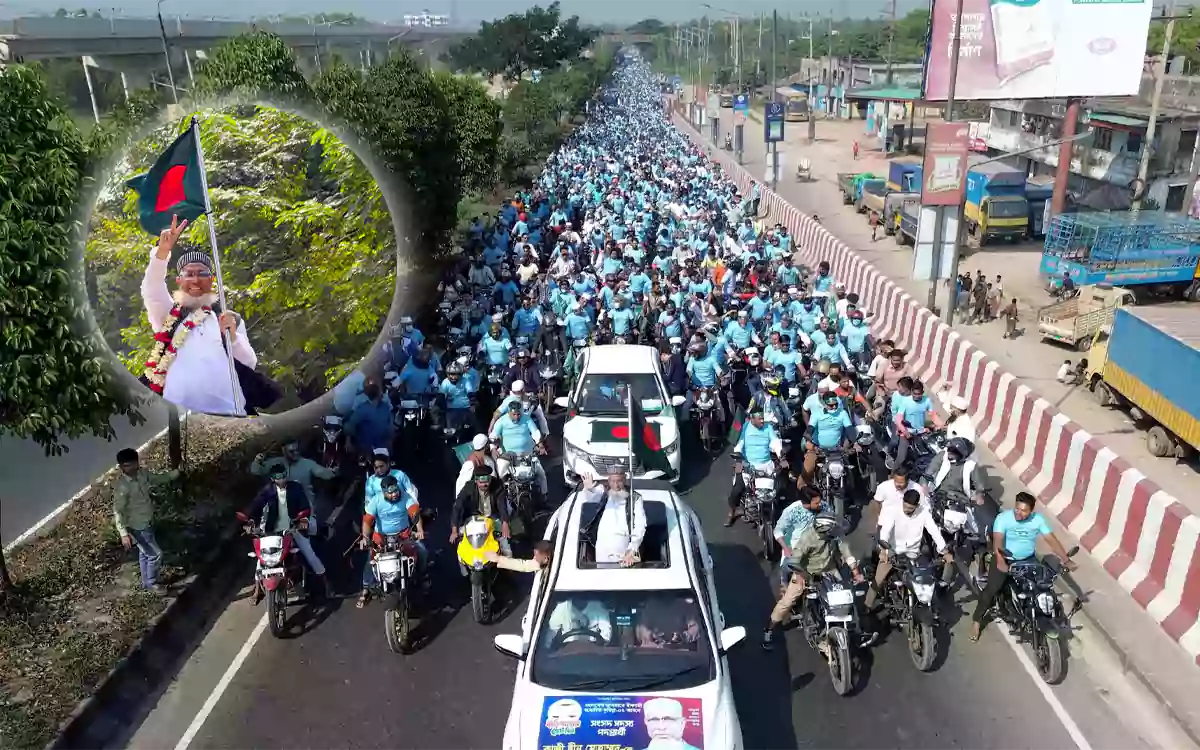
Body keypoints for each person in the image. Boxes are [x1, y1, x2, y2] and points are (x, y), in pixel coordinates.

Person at [140, 215, 256, 416]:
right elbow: (152, 289)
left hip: (230, 414)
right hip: (179, 417)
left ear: (211, 279)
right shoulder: (169, 316)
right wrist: (162, 252)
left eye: (202, 274)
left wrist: (233, 337)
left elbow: (248, 363)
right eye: (189, 274)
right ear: (178, 280)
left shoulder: (229, 319)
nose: (195, 280)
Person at [970, 492, 1077, 641]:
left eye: (1024, 510)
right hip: (1004, 558)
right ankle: (976, 621)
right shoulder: (1003, 518)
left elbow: (1050, 539)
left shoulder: (1037, 520)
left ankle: (1043, 616)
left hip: (1028, 560)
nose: (1019, 513)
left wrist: (1066, 560)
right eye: (1017, 508)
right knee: (992, 589)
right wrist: (1001, 560)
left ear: (1031, 511)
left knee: (1042, 588)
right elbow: (998, 540)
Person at [762, 512, 864, 651]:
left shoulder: (836, 535)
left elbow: (846, 553)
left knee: (847, 596)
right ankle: (768, 631)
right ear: (824, 530)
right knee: (787, 602)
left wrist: (856, 572)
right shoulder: (808, 538)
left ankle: (857, 630)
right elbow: (794, 559)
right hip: (806, 573)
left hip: (830, 571)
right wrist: (799, 574)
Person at [242, 466, 329, 601]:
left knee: (309, 554)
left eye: (284, 476)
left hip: (293, 528)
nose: (282, 479)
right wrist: (250, 520)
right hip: (273, 530)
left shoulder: (296, 488)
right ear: (272, 479)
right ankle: (258, 589)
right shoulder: (268, 491)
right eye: (278, 477)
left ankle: (325, 586)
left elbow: (304, 506)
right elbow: (256, 505)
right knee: (262, 559)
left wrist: (303, 520)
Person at [864, 489, 954, 608]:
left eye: (910, 508)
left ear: (916, 506)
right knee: (878, 580)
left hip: (914, 553)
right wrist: (884, 551)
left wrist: (945, 551)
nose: (906, 510)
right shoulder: (893, 512)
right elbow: (885, 531)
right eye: (905, 506)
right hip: (892, 552)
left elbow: (934, 532)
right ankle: (867, 606)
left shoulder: (924, 514)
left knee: (928, 578)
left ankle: (933, 609)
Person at [112, 447, 180, 593]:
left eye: (129, 464)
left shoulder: (142, 474)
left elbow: (157, 479)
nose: (126, 468)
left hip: (147, 522)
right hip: (136, 527)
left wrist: (175, 473)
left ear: (136, 463)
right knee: (156, 554)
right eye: (123, 466)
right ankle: (152, 583)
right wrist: (123, 533)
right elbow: (118, 512)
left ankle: (146, 581)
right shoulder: (122, 488)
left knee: (145, 553)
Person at [357, 475, 427, 608]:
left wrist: (419, 530)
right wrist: (365, 538)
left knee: (422, 551)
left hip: (403, 536)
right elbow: (367, 521)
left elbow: (414, 513)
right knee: (370, 560)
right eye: (390, 492)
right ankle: (366, 588)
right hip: (381, 537)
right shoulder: (376, 500)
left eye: (396, 491)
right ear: (384, 492)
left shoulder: (405, 497)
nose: (394, 494)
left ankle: (423, 578)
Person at [249, 441, 337, 535]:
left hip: (304, 506)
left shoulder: (307, 464)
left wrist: (333, 472)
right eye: (291, 451)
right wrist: (257, 461)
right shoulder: (277, 464)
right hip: (281, 508)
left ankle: (322, 531)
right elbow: (256, 471)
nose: (296, 453)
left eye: (297, 450)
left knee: (310, 536)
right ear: (284, 451)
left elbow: (324, 473)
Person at [727, 407, 785, 526]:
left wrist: (781, 456)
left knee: (779, 488)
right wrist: (738, 458)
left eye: (763, 418)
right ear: (752, 419)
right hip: (749, 466)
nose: (762, 421)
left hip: (767, 466)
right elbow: (739, 444)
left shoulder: (768, 428)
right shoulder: (745, 428)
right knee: (737, 489)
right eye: (760, 419)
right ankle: (731, 512)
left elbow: (775, 443)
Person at [579, 470, 645, 565]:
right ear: (609, 481)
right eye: (613, 481)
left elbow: (640, 525)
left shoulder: (635, 498)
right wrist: (589, 489)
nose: (616, 485)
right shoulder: (604, 492)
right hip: (602, 548)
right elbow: (591, 497)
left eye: (619, 481)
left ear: (625, 479)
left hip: (623, 549)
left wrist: (632, 548)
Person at [449, 465, 512, 557]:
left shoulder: (498, 486)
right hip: (473, 517)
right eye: (481, 482)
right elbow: (457, 506)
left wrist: (505, 523)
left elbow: (502, 506)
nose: (484, 485)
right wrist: (454, 530)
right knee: (462, 544)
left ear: (490, 479)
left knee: (505, 544)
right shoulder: (469, 487)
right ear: (476, 481)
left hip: (492, 516)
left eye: (487, 481)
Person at [490, 400, 549, 497]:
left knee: (541, 474)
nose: (517, 417)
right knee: (500, 473)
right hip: (508, 456)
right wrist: (493, 449)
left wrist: (540, 445)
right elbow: (493, 436)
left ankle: (544, 496)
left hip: (527, 453)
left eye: (518, 414)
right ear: (509, 412)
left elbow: (535, 433)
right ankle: (502, 497)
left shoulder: (527, 419)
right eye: (514, 414)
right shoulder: (501, 421)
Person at [773, 485, 826, 588]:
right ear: (806, 503)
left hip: (819, 543)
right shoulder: (791, 511)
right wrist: (786, 548)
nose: (820, 504)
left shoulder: (823, 506)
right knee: (787, 567)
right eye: (816, 503)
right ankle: (784, 585)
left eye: (820, 501)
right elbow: (778, 530)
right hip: (796, 545)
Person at [892, 379, 942, 469]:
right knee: (901, 458)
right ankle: (892, 475)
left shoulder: (927, 401)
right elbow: (898, 419)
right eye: (914, 394)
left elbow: (933, 415)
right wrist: (904, 431)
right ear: (911, 392)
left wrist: (940, 425)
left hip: (921, 432)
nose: (916, 396)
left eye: (919, 394)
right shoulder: (906, 402)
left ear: (922, 392)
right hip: (907, 432)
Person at [346, 377, 394, 461]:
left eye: (374, 388)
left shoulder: (385, 406)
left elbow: (390, 426)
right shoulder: (361, 408)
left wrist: (390, 441)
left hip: (383, 448)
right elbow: (351, 425)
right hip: (366, 447)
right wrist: (349, 441)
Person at [483, 539, 553, 573]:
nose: (534, 558)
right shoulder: (545, 558)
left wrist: (497, 559)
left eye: (537, 557)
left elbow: (522, 565)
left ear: (545, 559)